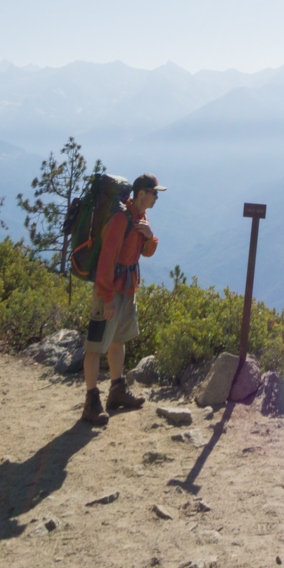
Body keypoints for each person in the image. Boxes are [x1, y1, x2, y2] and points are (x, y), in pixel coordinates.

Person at [81, 172, 165, 426]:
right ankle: (91, 401)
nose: (156, 198)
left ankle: (117, 390)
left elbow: (146, 253)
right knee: (96, 344)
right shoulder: (120, 219)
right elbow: (107, 259)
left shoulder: (141, 218)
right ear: (142, 194)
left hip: (128, 288)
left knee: (119, 340)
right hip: (111, 290)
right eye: (154, 193)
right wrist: (107, 298)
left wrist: (150, 236)